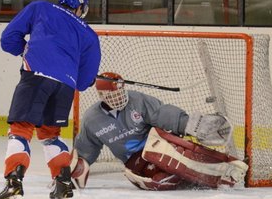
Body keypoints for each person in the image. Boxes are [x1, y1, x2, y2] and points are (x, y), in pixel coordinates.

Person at [0, 0, 101, 199]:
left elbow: (8, 39)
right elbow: (83, 82)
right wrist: (85, 78)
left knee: (20, 129)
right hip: (65, 86)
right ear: (81, 7)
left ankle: (13, 184)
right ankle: (63, 186)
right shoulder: (89, 34)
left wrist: (27, 50)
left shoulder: (40, 7)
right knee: (50, 135)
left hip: (37, 76)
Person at [71, 72, 248, 191]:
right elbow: (86, 149)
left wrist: (187, 123)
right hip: (135, 161)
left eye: (120, 93)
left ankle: (227, 166)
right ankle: (215, 176)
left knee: (174, 152)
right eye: (112, 96)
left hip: (158, 142)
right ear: (101, 96)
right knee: (163, 177)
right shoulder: (92, 119)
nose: (119, 98)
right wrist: (74, 168)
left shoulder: (137, 100)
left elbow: (161, 113)